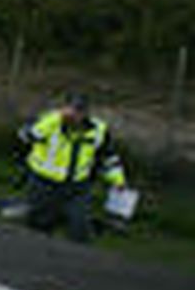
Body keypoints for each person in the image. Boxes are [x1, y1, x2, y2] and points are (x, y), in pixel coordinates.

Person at [18, 92, 129, 243]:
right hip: (43, 183)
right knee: (38, 229)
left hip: (77, 187)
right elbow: (27, 136)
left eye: (80, 110)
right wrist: (56, 119)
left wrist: (118, 180)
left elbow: (108, 158)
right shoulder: (48, 121)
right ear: (64, 108)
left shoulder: (98, 130)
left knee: (80, 229)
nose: (75, 115)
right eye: (72, 109)